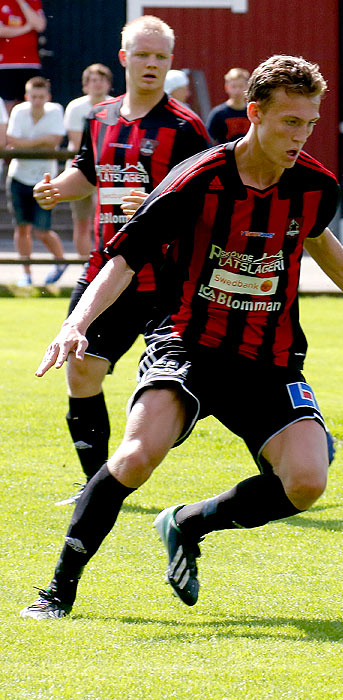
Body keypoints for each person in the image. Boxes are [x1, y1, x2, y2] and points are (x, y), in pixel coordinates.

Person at [20, 54, 343, 621]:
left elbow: (318, 238)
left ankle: (189, 523)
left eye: (310, 122)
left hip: (269, 359)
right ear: (254, 113)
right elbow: (124, 258)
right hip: (187, 344)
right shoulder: (198, 179)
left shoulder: (315, 185)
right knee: (138, 457)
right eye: (290, 121)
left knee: (307, 481)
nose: (301, 135)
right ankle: (57, 591)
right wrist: (76, 323)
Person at [30, 15, 210, 505]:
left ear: (170, 63)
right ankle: (96, 485)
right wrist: (57, 190)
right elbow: (85, 171)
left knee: (198, 384)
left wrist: (155, 201)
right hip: (105, 268)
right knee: (81, 369)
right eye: (144, 55)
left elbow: (209, 199)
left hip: (166, 277)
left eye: (162, 57)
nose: (152, 64)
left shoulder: (185, 128)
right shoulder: (100, 117)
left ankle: (286, 442)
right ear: (124, 58)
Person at [6, 75, 66, 287]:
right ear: (26, 96)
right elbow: (12, 141)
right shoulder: (19, 111)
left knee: (41, 230)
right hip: (18, 177)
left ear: (47, 97)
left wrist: (25, 145)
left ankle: (61, 262)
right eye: (34, 96)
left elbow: (55, 141)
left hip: (44, 179)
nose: (38, 100)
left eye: (41, 96)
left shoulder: (56, 110)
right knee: (22, 228)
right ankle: (26, 274)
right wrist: (41, 142)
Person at [63, 63, 113, 259]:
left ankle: (106, 263)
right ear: (85, 85)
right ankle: (85, 265)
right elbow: (76, 143)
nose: (97, 84)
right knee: (82, 222)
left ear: (108, 84)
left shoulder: (118, 105)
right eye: (93, 80)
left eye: (101, 80)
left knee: (108, 221)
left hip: (109, 171)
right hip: (81, 172)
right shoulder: (76, 108)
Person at [0, 0, 45, 113]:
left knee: (28, 105)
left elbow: (39, 25)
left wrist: (22, 3)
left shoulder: (33, 2)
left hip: (31, 63)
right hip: (6, 64)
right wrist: (27, 28)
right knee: (6, 105)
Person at [206, 67, 251, 144]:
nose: (237, 91)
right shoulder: (218, 114)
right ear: (227, 88)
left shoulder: (252, 112)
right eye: (234, 87)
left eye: (240, 86)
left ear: (247, 87)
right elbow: (209, 140)